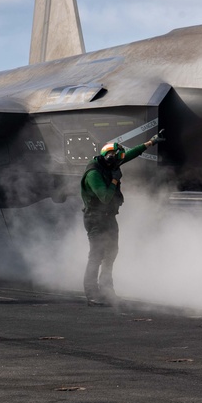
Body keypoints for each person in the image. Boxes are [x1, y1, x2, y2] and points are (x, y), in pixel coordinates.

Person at [81, 131, 164, 306]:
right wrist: (114, 181)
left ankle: (107, 291)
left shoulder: (110, 162)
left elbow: (130, 154)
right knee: (96, 255)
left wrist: (150, 143)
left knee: (111, 253)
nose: (120, 162)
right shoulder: (93, 173)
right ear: (109, 158)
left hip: (108, 217)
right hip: (95, 219)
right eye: (117, 160)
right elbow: (104, 197)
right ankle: (92, 295)